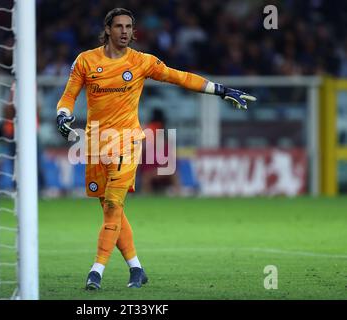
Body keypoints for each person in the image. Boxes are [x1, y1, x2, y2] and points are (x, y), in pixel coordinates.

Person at [56, 8, 256, 290]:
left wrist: (220, 89)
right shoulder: (86, 61)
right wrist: (63, 115)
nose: (125, 31)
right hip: (95, 144)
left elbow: (180, 77)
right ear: (108, 30)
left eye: (129, 27)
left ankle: (96, 271)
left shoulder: (141, 62)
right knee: (110, 209)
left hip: (127, 141)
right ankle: (137, 269)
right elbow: (68, 96)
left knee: (114, 204)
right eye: (119, 26)